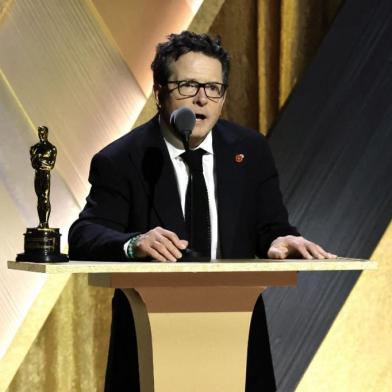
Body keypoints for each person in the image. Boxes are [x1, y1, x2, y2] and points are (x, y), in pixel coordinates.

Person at [69, 31, 336, 391]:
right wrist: (134, 244)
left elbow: (269, 226)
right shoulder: (122, 159)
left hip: (236, 340)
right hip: (151, 344)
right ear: (159, 91)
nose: (201, 99)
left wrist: (280, 239)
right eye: (188, 86)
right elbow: (84, 234)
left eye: (213, 88)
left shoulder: (249, 150)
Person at [30, 126, 57, 228]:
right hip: (38, 175)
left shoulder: (52, 148)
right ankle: (41, 222)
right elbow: (33, 164)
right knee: (39, 198)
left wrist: (39, 160)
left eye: (43, 133)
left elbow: (51, 165)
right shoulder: (34, 148)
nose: (41, 135)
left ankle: (45, 222)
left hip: (45, 174)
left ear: (46, 133)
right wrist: (42, 161)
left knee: (44, 198)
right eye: (39, 133)